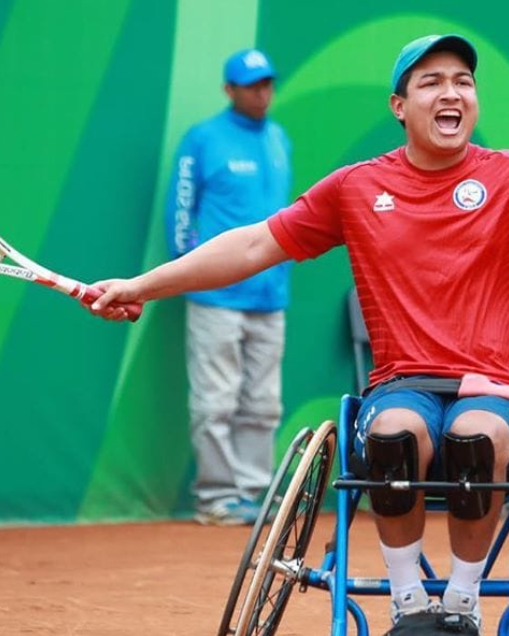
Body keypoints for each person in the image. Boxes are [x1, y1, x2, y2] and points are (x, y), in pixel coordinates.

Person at [88, 34, 509, 635]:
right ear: (399, 106)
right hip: (403, 383)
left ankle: (461, 604)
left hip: (499, 387)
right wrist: (142, 286)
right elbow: (256, 243)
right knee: (391, 439)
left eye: (463, 82)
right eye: (431, 82)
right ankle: (410, 603)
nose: (452, 92)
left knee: (475, 441)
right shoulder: (356, 188)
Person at [164, 48, 293, 526]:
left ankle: (252, 493)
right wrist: (190, 268)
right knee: (216, 399)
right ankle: (216, 496)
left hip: (270, 295)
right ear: (229, 90)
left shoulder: (279, 138)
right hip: (216, 296)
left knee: (263, 401)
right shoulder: (202, 139)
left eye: (267, 83)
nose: (262, 92)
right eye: (251, 84)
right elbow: (180, 215)